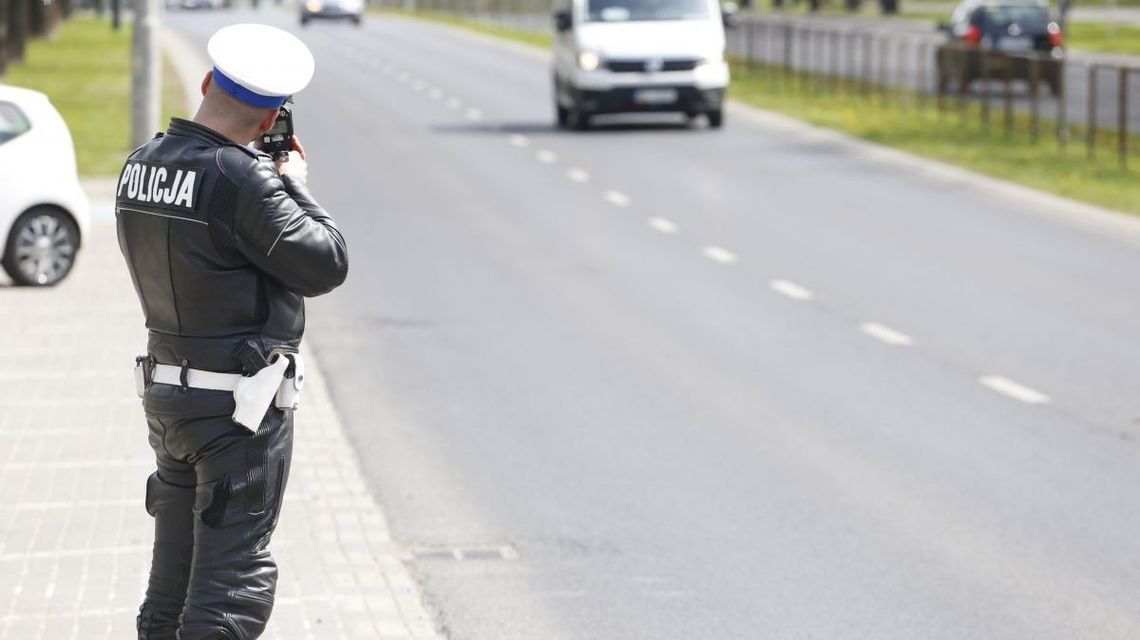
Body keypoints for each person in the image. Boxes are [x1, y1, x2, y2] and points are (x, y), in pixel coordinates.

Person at [116, 23, 349, 640]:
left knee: (171, 588)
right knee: (228, 593)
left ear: (205, 82)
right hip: (238, 413)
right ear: (275, 113)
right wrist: (295, 185)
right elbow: (326, 261)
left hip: (168, 401)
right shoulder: (240, 179)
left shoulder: (139, 166)